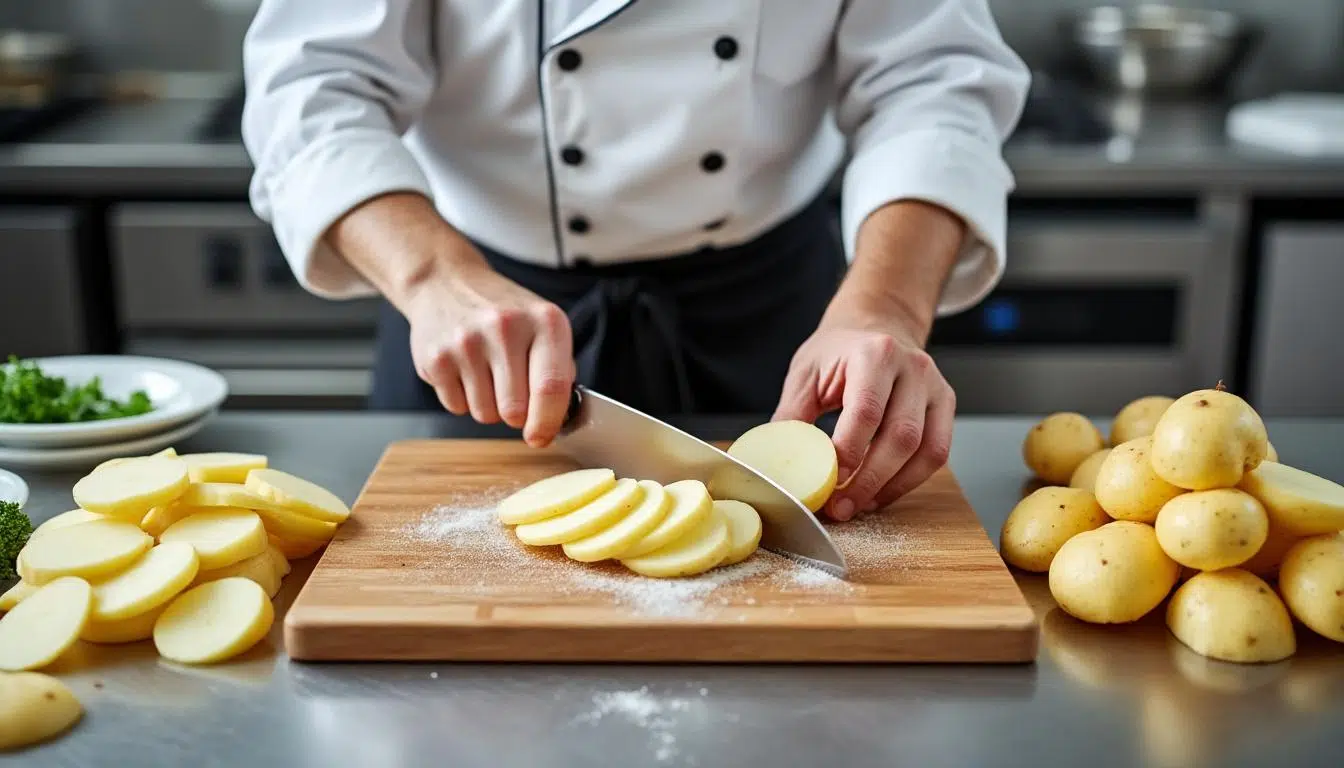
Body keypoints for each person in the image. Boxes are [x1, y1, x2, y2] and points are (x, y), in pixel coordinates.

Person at [240, 0, 1030, 522]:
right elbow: (313, 83)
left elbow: (933, 83)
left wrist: (884, 307)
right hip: (479, 320)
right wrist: (431, 278)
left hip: (780, 325)